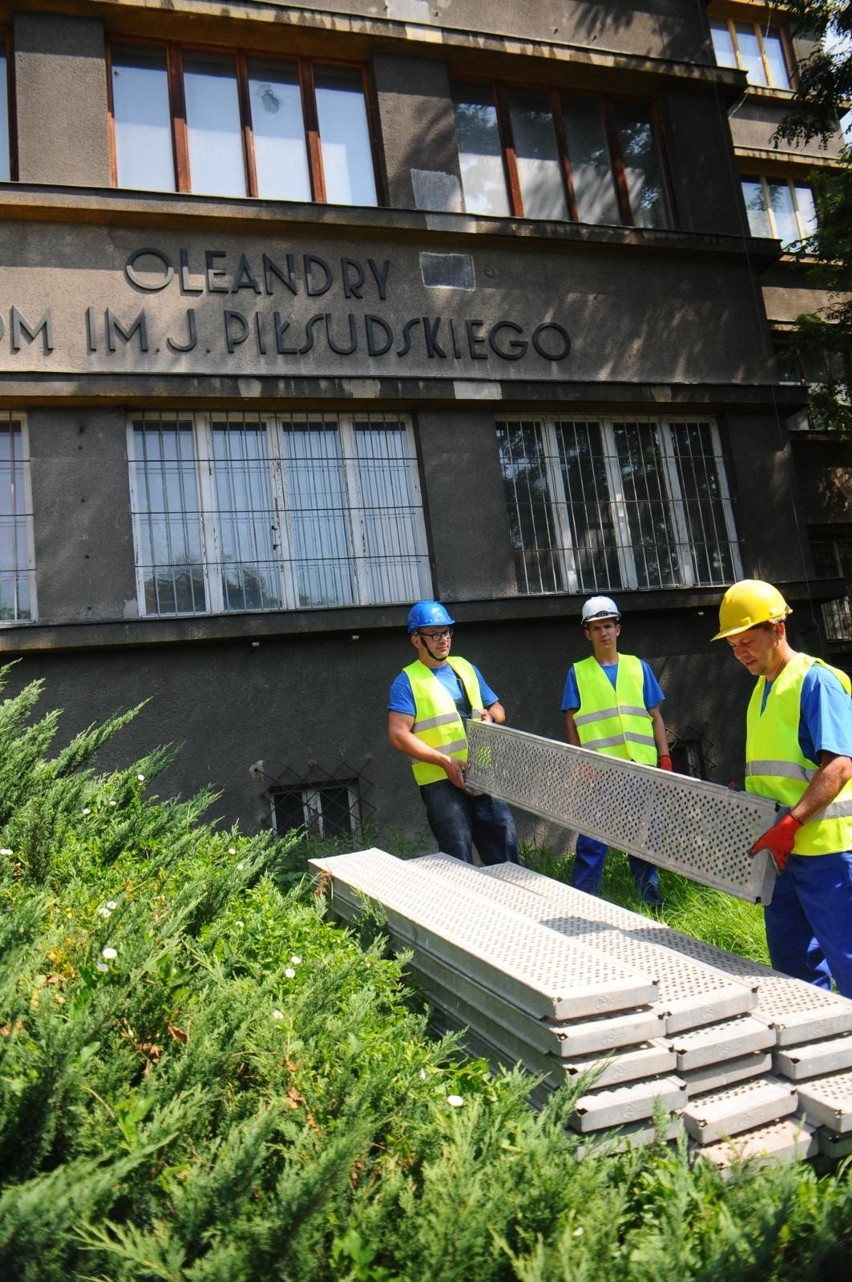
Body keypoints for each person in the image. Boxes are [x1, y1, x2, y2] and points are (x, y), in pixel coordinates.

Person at [712, 578, 852, 998]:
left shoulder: (816, 682)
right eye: (733, 646)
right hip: (782, 854)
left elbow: (840, 766)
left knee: (847, 959)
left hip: (828, 854)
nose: (741, 654)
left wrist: (791, 823)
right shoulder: (761, 690)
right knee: (793, 967)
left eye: (748, 641)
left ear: (778, 629)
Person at [387, 600, 519, 865]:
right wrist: (444, 762)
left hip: (482, 773)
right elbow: (398, 734)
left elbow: (498, 709)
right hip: (440, 782)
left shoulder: (466, 668)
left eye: (446, 632)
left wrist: (491, 716)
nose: (442, 640)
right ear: (416, 640)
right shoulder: (407, 681)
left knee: (505, 854)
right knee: (458, 861)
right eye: (433, 634)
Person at [561, 595, 672, 905]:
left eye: (608, 626)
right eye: (596, 628)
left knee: (642, 840)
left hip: (640, 768)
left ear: (618, 629)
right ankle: (582, 904)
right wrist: (580, 761)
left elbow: (655, 716)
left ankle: (652, 903)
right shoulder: (578, 672)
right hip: (600, 771)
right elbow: (571, 721)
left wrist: (664, 757)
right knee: (592, 842)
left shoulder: (638, 667)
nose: (604, 633)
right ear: (588, 634)